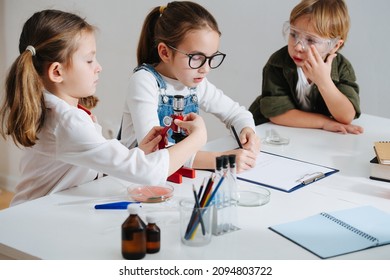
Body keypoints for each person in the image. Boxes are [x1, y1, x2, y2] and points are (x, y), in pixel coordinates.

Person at [0, 9, 207, 206]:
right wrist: (197, 138)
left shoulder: (58, 110)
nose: (99, 67)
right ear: (57, 72)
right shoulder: (66, 121)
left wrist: (136, 153)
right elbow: (149, 173)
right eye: (89, 60)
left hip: (46, 211)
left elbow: (87, 165)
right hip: (33, 221)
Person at [119, 1, 260, 173]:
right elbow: (154, 152)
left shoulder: (195, 83)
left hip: (175, 175)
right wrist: (221, 160)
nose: (205, 68)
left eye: (211, 58)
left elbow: (236, 114)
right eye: (196, 57)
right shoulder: (144, 81)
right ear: (165, 52)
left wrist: (248, 132)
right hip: (136, 178)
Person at [249, 0, 364, 134]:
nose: (298, 46)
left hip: (309, 136)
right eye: (293, 34)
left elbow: (346, 116)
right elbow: (277, 114)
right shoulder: (278, 63)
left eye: (310, 40)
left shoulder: (342, 68)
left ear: (334, 46)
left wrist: (324, 81)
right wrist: (324, 122)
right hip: (267, 132)